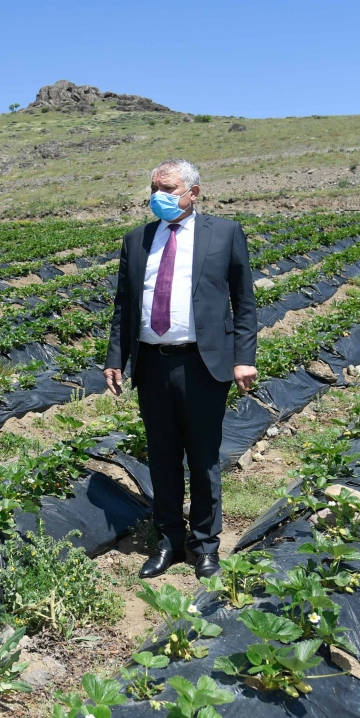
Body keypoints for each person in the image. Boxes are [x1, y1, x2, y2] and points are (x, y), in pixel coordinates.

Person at [105, 158, 258, 580]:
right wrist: (116, 358)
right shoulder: (137, 240)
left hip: (202, 363)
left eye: (168, 190)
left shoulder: (224, 234)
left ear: (194, 192)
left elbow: (244, 302)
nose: (159, 197)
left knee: (204, 457)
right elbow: (124, 307)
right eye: (154, 188)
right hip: (152, 364)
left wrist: (244, 357)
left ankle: (205, 546)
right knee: (162, 456)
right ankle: (169, 540)